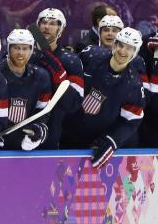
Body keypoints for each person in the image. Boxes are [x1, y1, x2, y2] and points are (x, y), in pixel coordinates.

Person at [61, 27, 145, 169]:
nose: (123, 51)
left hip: (94, 142)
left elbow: (131, 121)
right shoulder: (92, 55)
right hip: (67, 132)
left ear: (135, 52)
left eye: (129, 48)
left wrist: (113, 141)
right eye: (121, 45)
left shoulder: (134, 85)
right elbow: (69, 70)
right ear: (115, 45)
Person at [31, 8, 85, 149]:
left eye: (53, 23)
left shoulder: (71, 60)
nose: (47, 26)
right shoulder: (22, 54)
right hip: (19, 129)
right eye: (44, 22)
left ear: (61, 29)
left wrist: (60, 78)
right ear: (38, 26)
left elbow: (74, 103)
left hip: (52, 134)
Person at [0, 29, 53, 151]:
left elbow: (42, 111)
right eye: (16, 48)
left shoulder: (42, 76)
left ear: (31, 50)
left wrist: (39, 128)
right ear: (8, 49)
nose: (20, 53)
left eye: (25, 48)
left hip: (24, 144)